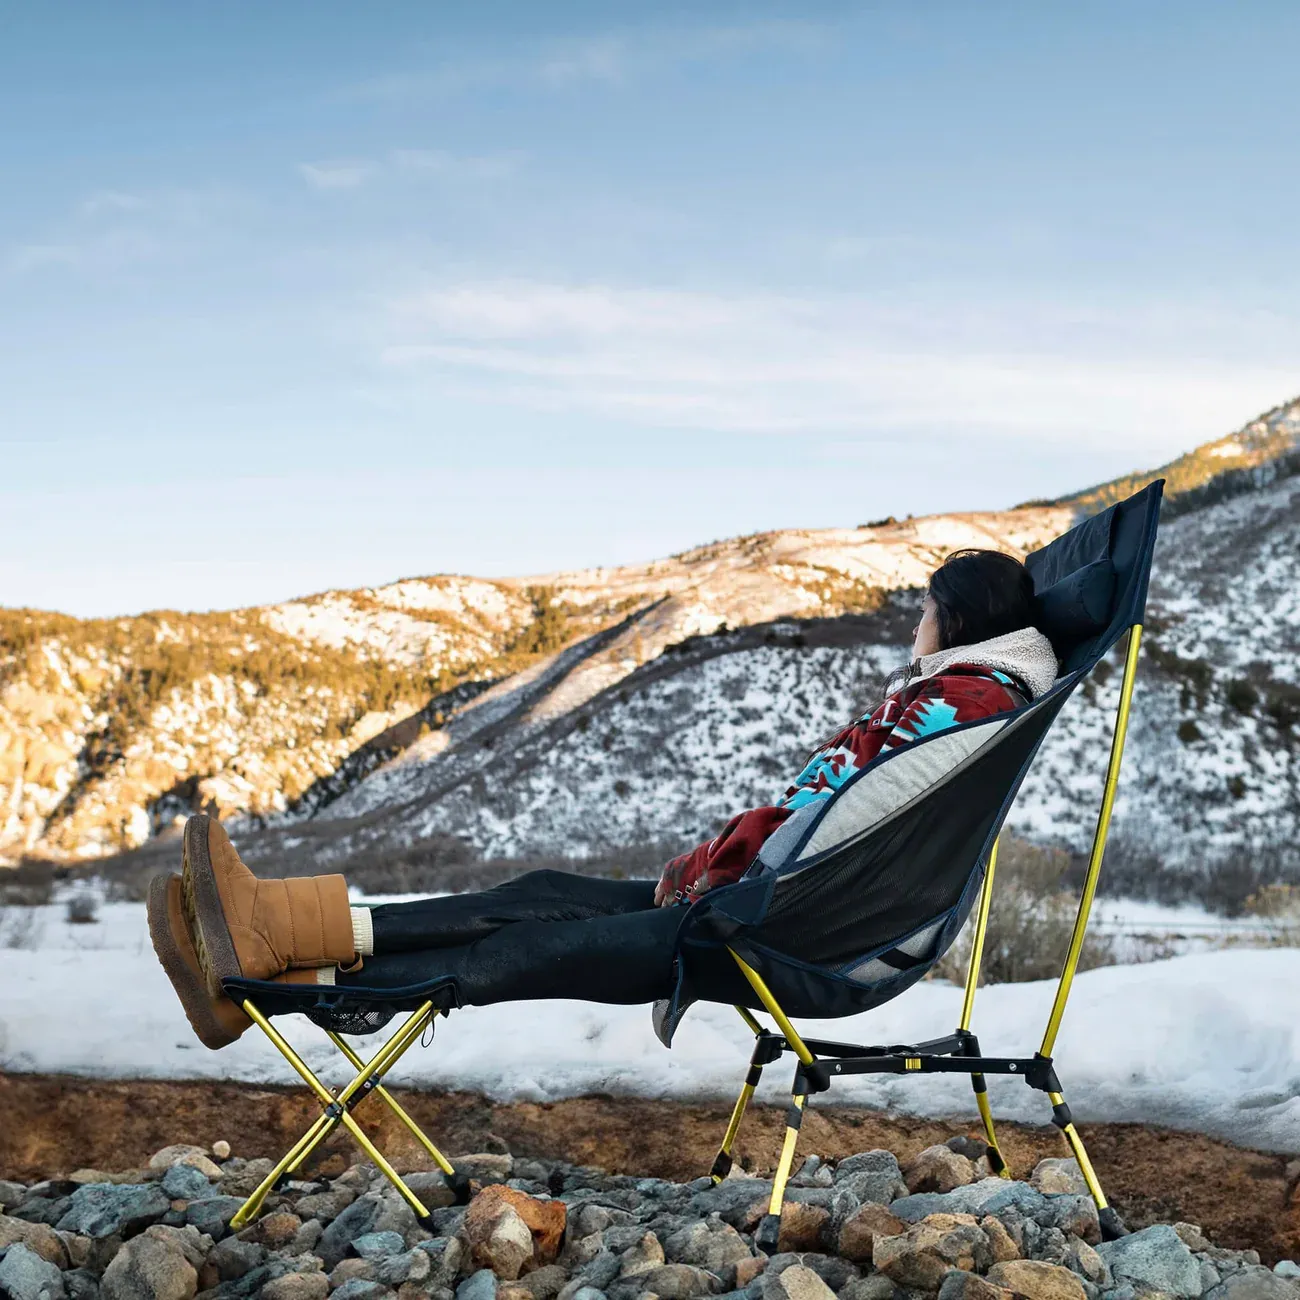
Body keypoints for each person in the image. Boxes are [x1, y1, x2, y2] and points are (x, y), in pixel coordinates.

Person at [149, 549, 1059, 1049]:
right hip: (763, 904)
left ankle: (265, 987)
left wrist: (723, 873)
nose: (913, 625)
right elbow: (832, 816)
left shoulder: (961, 702)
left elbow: (841, 823)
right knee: (535, 889)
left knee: (537, 945)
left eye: (926, 610)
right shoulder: (954, 696)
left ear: (960, 622)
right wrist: (717, 867)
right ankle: (280, 925)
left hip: (781, 930)